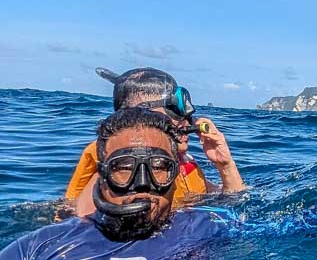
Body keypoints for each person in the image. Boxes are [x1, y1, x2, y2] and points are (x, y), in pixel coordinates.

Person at [1, 108, 317, 260]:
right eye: (125, 168)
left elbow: (289, 228)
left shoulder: (203, 226)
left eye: (158, 168)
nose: (142, 185)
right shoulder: (41, 245)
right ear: (102, 170)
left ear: (174, 174)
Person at [65, 67, 244, 212]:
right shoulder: (119, 163)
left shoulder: (179, 163)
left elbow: (232, 200)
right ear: (141, 114)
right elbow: (85, 224)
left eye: (187, 114)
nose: (188, 120)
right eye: (175, 111)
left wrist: (225, 165)